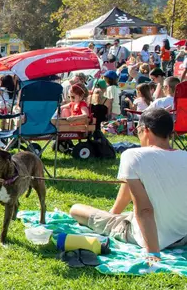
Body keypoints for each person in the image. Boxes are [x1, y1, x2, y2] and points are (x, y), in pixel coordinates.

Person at [70, 109, 187, 262]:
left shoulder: (133, 156)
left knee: (76, 209)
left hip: (152, 238)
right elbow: (130, 186)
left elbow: (145, 210)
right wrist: (114, 214)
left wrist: (153, 253)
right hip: (182, 235)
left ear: (146, 130)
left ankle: (112, 219)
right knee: (118, 214)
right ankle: (113, 216)